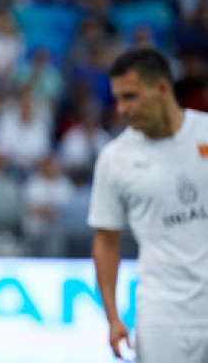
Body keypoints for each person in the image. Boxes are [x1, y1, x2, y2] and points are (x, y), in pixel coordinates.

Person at [88, 47, 208, 362]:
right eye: (117, 99)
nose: (122, 109)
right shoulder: (115, 159)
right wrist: (113, 318)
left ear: (162, 89)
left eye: (130, 97)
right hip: (163, 317)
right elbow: (105, 240)